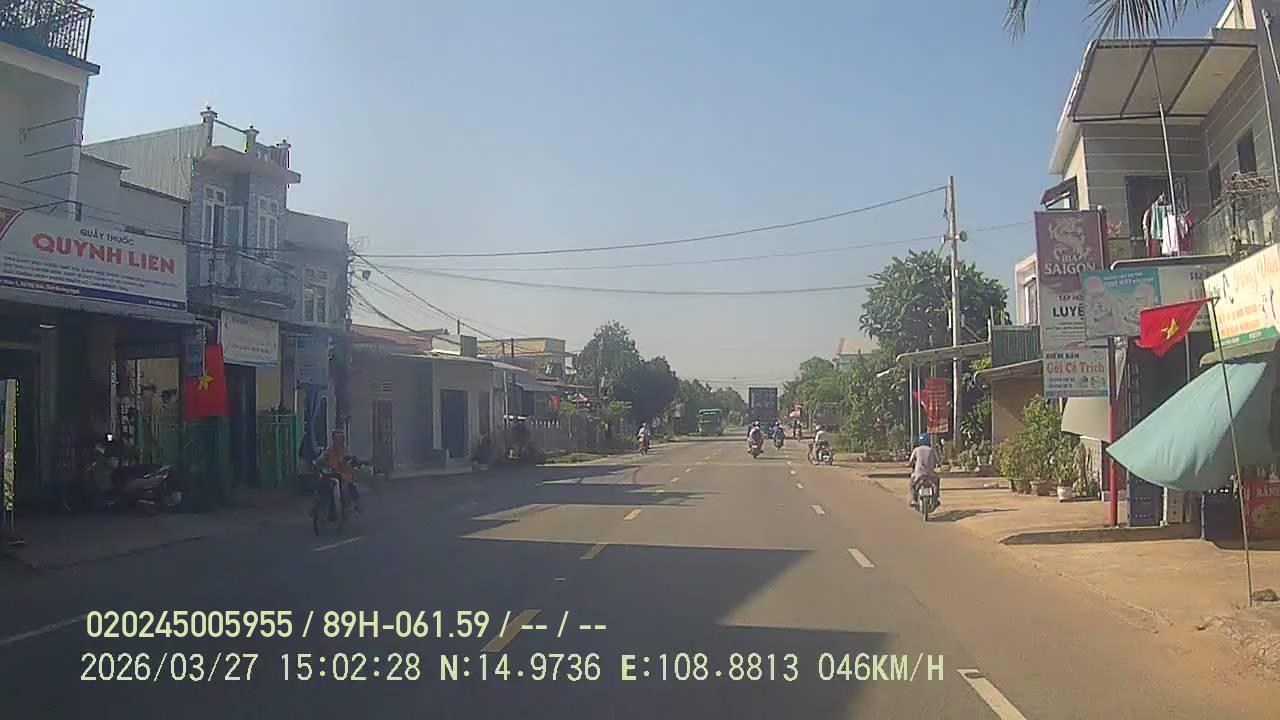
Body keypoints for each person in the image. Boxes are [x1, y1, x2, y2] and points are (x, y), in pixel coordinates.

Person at [317, 429, 359, 512]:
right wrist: (317, 464)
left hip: (343, 477)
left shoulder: (346, 451)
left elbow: (351, 459)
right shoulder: (329, 451)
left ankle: (348, 507)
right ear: (333, 439)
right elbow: (320, 460)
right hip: (331, 475)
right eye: (337, 439)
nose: (338, 441)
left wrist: (351, 461)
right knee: (321, 488)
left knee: (345, 490)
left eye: (340, 439)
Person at [908, 434, 941, 508]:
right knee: (936, 482)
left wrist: (909, 464)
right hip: (930, 474)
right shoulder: (932, 450)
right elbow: (938, 461)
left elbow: (911, 461)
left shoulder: (916, 449)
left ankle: (914, 499)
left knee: (911, 484)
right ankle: (936, 499)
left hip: (918, 474)